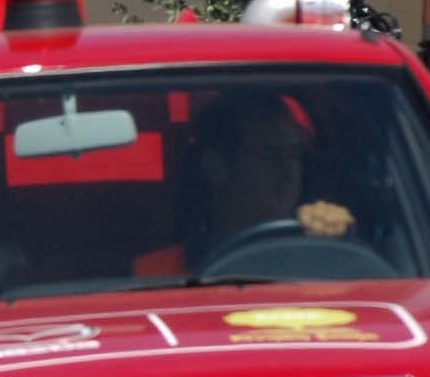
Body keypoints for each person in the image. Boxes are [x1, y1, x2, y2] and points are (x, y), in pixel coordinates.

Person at [133, 90, 353, 279]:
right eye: (270, 156)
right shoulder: (157, 271)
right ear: (215, 167)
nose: (288, 171)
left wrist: (340, 240)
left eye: (294, 155)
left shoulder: (326, 248)